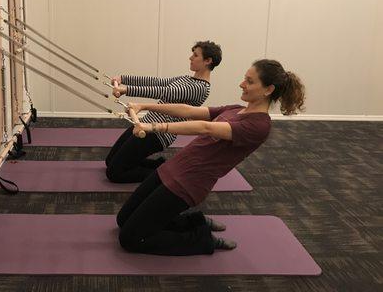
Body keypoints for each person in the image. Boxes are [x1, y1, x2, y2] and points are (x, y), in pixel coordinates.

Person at [117, 59, 305, 255]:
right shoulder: (235, 109)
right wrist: (143, 106)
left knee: (129, 239)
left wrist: (154, 127)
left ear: (268, 90)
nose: (242, 84)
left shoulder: (259, 126)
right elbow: (189, 111)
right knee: (123, 220)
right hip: (171, 169)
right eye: (244, 79)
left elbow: (206, 127)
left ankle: (201, 239)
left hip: (187, 184)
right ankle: (194, 220)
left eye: (249, 81)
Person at [105, 41, 222, 183]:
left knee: (113, 173)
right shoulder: (186, 78)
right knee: (109, 161)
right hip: (144, 124)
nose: (190, 58)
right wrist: (124, 79)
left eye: (195, 55)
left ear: (208, 61)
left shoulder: (200, 88)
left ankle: (163, 176)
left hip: (158, 135)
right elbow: (157, 82)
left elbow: (163, 91)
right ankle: (160, 165)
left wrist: (127, 89)